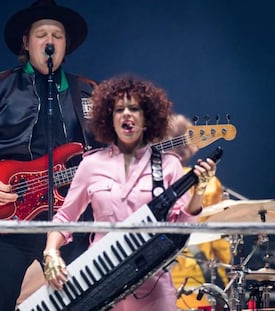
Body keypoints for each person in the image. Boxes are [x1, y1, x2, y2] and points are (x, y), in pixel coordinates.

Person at [0, 1, 100, 310]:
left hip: (70, 224)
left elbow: (105, 154)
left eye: (57, 35)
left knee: (84, 304)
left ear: (66, 45)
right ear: (26, 43)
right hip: (8, 223)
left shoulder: (87, 92)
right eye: (41, 34)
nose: (49, 41)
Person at [42, 75, 218, 311]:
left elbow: (182, 228)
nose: (127, 114)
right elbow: (65, 217)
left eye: (134, 108)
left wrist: (200, 192)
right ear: (108, 118)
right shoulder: (91, 165)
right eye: (119, 110)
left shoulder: (169, 164)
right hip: (99, 280)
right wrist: (51, 252)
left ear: (147, 119)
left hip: (153, 284)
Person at [167, 114, 232, 310]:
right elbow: (221, 242)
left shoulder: (149, 180)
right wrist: (226, 282)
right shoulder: (209, 183)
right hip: (197, 284)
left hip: (152, 280)